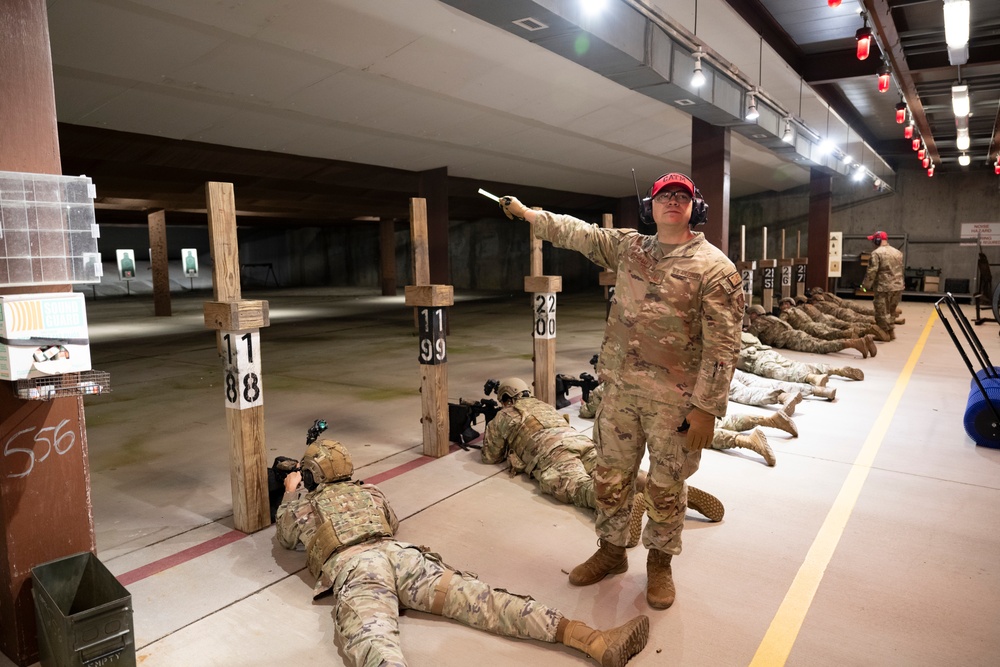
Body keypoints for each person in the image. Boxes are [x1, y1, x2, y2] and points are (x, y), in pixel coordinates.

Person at [498, 172, 744, 609]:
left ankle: (660, 563)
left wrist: (707, 409)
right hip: (620, 392)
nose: (672, 201)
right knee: (610, 477)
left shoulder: (715, 268)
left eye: (681, 197)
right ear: (649, 206)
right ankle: (611, 551)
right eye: (664, 196)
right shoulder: (630, 247)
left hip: (677, 401)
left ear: (694, 207)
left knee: (668, 486)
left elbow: (723, 346)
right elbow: (578, 233)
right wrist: (528, 215)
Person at [276, 438, 650, 667]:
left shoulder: (301, 507)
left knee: (375, 643)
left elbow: (286, 537)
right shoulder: (370, 492)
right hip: (404, 557)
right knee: (485, 600)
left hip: (358, 569)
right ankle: (592, 640)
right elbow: (391, 520)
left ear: (310, 476)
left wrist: (292, 491)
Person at [481, 377, 727, 524]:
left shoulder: (505, 415)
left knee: (577, 486)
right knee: (613, 472)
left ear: (505, 399)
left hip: (551, 453)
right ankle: (656, 487)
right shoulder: (543, 404)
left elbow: (490, 455)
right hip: (580, 441)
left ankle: (624, 504)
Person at [747, 304, 875, 358]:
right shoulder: (771, 318)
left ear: (755, 314)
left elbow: (750, 338)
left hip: (791, 338)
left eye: (750, 315)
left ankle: (854, 343)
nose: (750, 318)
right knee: (822, 340)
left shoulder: (758, 322)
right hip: (797, 334)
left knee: (821, 346)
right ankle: (862, 341)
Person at [739, 331, 865, 382]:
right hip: (767, 352)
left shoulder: (724, 342)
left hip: (754, 361)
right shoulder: (743, 334)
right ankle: (835, 369)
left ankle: (812, 378)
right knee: (795, 364)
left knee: (784, 373)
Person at [778, 297, 888, 342]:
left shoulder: (790, 311)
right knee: (845, 324)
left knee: (833, 334)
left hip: (815, 325)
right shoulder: (804, 308)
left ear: (787, 304)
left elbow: (782, 325)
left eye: (782, 305)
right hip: (824, 319)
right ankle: (868, 328)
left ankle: (856, 333)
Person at [861, 231, 904, 340]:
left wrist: (865, 286)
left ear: (877, 240)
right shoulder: (897, 252)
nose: (872, 243)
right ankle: (891, 332)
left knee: (881, 312)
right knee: (891, 310)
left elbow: (872, 272)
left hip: (883, 287)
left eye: (873, 241)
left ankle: (883, 334)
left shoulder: (876, 253)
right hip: (898, 286)